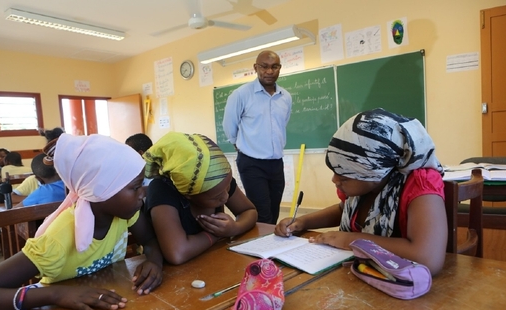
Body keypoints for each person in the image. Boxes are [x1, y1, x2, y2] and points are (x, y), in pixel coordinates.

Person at [0, 133, 164, 310]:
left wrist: (154, 261)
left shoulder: (126, 214)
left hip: (112, 309)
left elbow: (150, 239)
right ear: (101, 190)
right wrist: (56, 294)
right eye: (135, 187)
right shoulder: (57, 240)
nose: (143, 193)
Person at [274, 109, 448, 275]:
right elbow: (343, 210)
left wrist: (351, 240)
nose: (334, 180)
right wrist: (303, 222)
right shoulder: (365, 187)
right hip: (359, 274)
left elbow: (428, 258)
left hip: (402, 290)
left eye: (344, 177)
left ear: (374, 173)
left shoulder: (420, 185)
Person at [145, 132, 257, 265]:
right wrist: (216, 234)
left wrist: (235, 228)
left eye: (228, 187)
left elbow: (249, 211)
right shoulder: (162, 190)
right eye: (216, 197)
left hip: (213, 262)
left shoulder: (220, 179)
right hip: (177, 275)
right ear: (187, 194)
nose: (226, 197)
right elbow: (177, 253)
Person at [223, 50, 292, 225]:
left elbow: (283, 123)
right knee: (262, 214)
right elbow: (229, 125)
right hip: (252, 162)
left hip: (276, 162)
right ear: (256, 67)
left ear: (280, 68)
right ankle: (259, 250)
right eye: (264, 66)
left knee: (274, 210)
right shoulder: (241, 94)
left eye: (274, 67)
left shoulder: (285, 97)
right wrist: (236, 144)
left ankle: (268, 247)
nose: (269, 71)